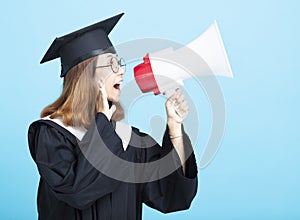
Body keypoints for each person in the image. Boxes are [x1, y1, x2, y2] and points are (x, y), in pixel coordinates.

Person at [28, 13, 198, 220]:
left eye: (120, 64)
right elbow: (77, 193)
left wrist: (174, 128)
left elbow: (172, 195)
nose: (121, 72)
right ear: (85, 76)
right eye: (111, 65)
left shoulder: (129, 140)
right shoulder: (51, 134)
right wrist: (102, 122)